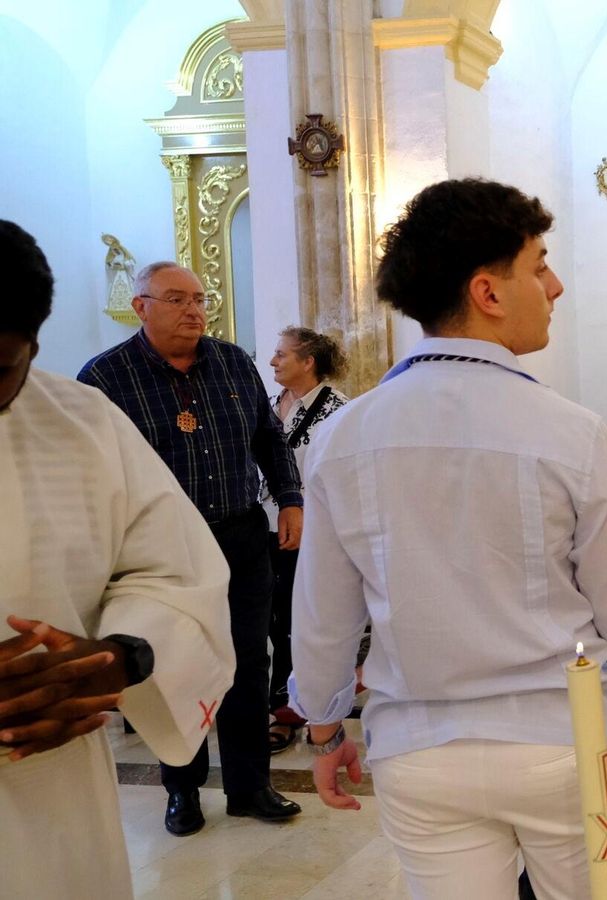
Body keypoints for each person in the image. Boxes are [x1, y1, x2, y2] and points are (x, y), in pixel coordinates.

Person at [289, 178, 607, 900]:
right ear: (489, 292)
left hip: (419, 748)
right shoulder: (567, 430)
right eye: (538, 264)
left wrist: (322, 726)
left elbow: (323, 613)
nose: (556, 284)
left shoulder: (345, 436)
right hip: (563, 739)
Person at [0, 220, 234, 898]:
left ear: (32, 346)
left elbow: (175, 569)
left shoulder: (81, 420)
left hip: (49, 794)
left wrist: (122, 655)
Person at [79, 261, 304, 835]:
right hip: (161, 552)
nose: (193, 310)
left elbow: (267, 438)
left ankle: (251, 786)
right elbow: (88, 473)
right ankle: (182, 792)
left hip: (239, 535)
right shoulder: (106, 379)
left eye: (199, 299)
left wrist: (291, 498)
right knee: (173, 665)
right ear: (141, 306)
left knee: (248, 662)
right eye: (177, 299)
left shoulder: (232, 363)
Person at [264, 326, 349, 752]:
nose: (273, 362)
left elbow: (337, 478)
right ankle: (265, 703)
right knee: (266, 621)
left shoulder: (338, 411)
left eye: (281, 354)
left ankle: (294, 710)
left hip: (310, 531)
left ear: (308, 361)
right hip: (260, 525)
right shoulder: (266, 405)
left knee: (297, 624)